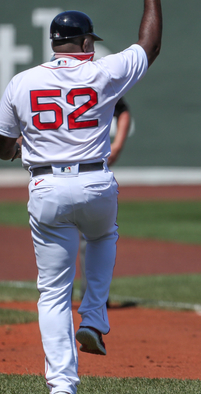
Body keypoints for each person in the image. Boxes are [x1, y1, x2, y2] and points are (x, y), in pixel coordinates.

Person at [0, 0, 162, 394]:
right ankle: (95, 317)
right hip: (95, 181)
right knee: (103, 236)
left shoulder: (22, 82)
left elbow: (0, 145)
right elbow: (149, 47)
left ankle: (63, 385)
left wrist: (16, 149)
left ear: (54, 44)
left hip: (46, 185)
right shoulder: (102, 72)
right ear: (86, 44)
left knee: (52, 293)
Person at [78, 97, 131, 305]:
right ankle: (94, 303)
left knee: (89, 236)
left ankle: (87, 299)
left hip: (78, 172)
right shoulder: (96, 81)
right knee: (93, 237)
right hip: (81, 173)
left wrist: (116, 146)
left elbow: (123, 110)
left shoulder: (43, 83)